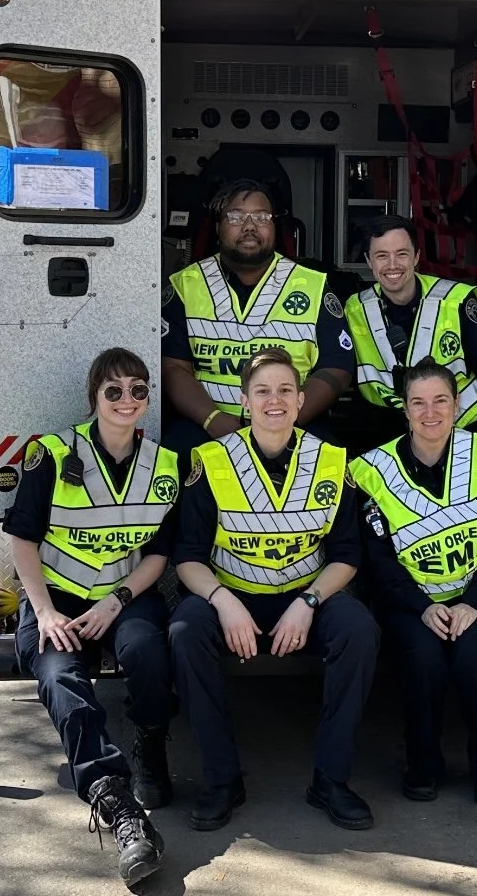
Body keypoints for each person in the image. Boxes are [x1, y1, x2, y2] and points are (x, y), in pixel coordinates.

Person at [168, 347, 378, 832]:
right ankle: (221, 780)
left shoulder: (330, 461)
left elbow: (347, 554)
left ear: (301, 400)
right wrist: (224, 603)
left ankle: (331, 779)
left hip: (305, 596)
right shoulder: (210, 461)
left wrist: (308, 603)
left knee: (359, 629)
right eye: (262, 391)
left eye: (286, 390)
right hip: (230, 596)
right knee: (183, 631)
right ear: (244, 402)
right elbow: (188, 558)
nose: (274, 400)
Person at [4, 347, 178, 888]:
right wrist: (44, 611)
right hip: (55, 597)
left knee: (149, 651)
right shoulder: (53, 455)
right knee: (60, 678)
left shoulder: (166, 465)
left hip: (123, 598)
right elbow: (21, 539)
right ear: (94, 398)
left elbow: (158, 555)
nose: (127, 399)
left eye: (139, 389)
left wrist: (118, 600)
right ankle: (117, 802)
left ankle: (150, 741)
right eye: (114, 390)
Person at [351, 357, 477, 805]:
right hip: (411, 604)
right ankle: (422, 765)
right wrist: (422, 607)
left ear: (458, 404)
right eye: (419, 402)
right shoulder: (373, 470)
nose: (431, 412)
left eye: (441, 400)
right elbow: (377, 559)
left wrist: (473, 603)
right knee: (423, 659)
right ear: (404, 409)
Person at [161, 178, 353, 467]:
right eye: (236, 216)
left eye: (262, 217)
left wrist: (283, 421)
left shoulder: (312, 285)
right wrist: (213, 420)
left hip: (294, 421)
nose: (249, 225)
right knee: (170, 463)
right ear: (218, 226)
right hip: (208, 424)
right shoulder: (185, 286)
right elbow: (172, 368)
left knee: (331, 465)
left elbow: (337, 368)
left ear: (275, 226)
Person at [344, 215, 477, 459]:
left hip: (465, 429)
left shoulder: (456, 302)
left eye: (402, 254)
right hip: (394, 435)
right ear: (369, 260)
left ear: (417, 257)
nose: (392, 265)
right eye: (382, 256)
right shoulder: (354, 310)